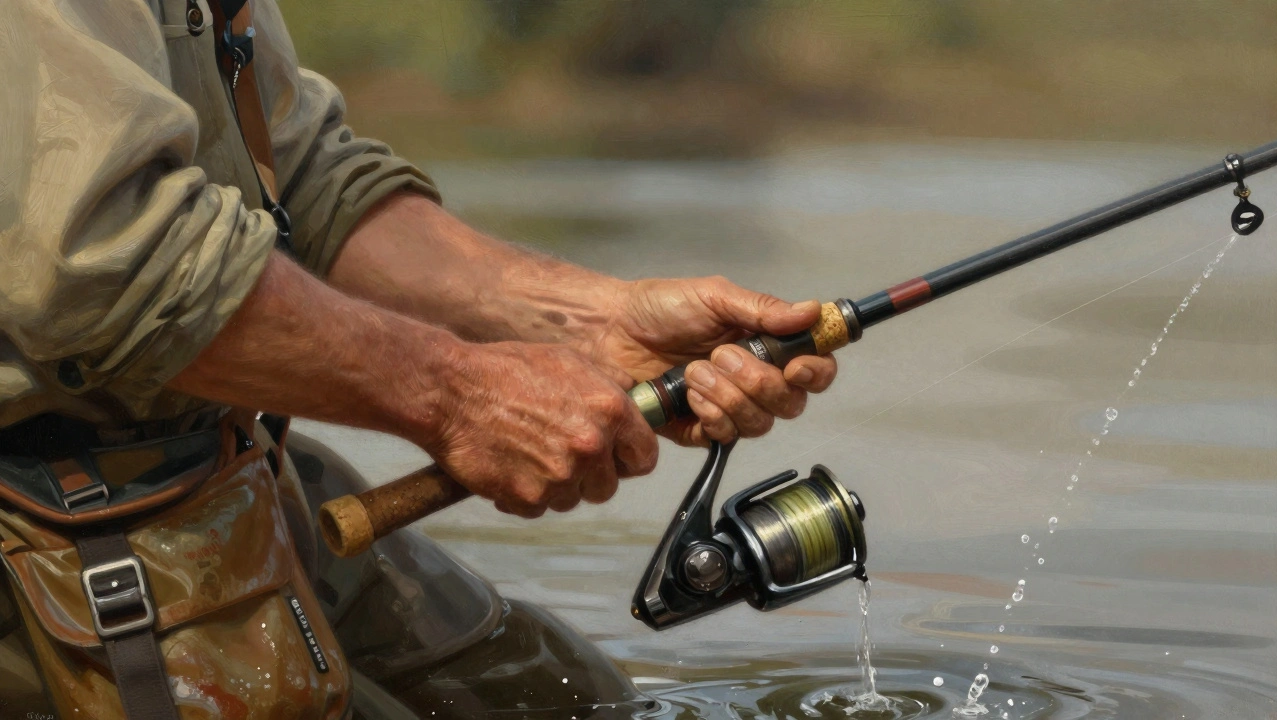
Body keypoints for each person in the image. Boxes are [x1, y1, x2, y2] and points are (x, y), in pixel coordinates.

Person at [0, 0, 838, 717]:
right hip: (37, 510)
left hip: (206, 467)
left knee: (575, 699)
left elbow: (305, 179)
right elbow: (111, 263)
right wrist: (458, 397)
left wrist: (591, 321)